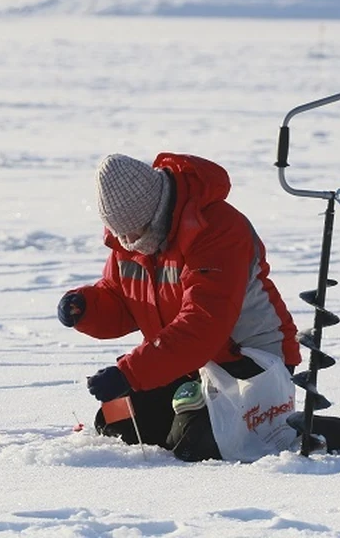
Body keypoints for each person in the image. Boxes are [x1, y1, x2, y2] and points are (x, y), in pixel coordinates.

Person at [57, 153, 302, 461]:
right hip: (189, 366)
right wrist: (86, 307)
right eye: (120, 234)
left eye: (135, 232)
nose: (128, 242)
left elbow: (202, 325)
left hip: (251, 363)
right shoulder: (131, 240)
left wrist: (130, 372)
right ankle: (200, 411)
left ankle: (293, 431)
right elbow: (122, 298)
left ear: (155, 211)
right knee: (114, 420)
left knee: (190, 441)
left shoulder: (217, 229)